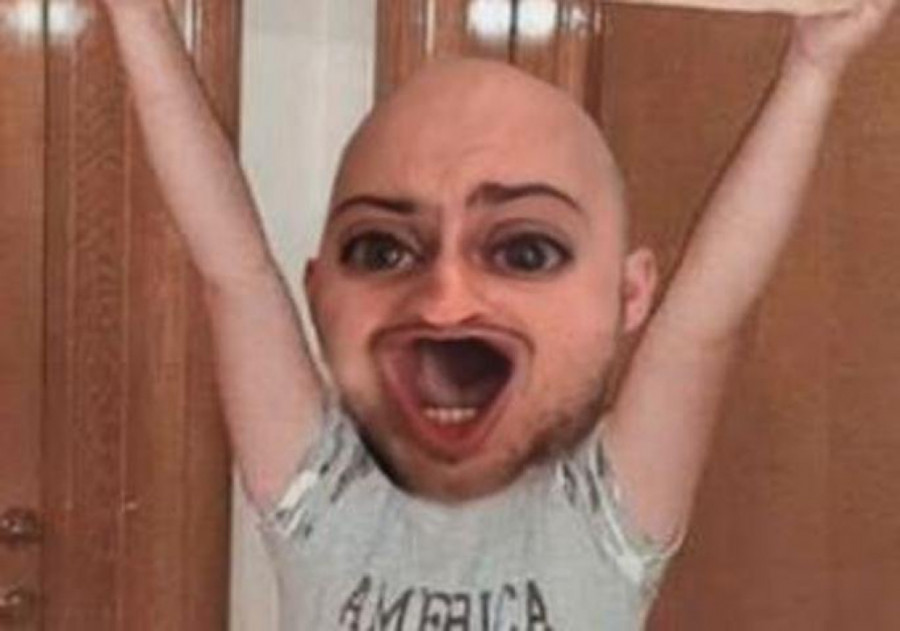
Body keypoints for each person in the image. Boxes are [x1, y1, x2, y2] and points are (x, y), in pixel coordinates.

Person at [99, 0, 896, 628]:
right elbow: (234, 272)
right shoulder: (328, 505)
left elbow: (701, 323)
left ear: (625, 297)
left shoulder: (595, 529)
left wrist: (814, 69)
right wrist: (136, 16)